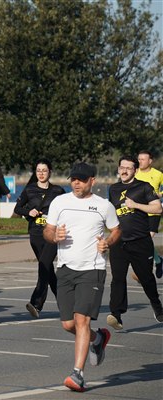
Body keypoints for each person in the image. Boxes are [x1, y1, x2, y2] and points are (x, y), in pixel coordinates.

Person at [43, 162, 121, 392]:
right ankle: (98, 339)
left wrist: (108, 242)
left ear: (92, 181)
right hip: (66, 268)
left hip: (92, 269)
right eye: (73, 179)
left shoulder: (104, 206)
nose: (76, 183)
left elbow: (116, 230)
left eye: (82, 180)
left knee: (81, 321)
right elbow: (47, 230)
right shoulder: (60, 202)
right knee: (68, 324)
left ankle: (78, 374)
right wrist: (54, 236)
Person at [107, 155, 163, 330]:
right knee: (117, 279)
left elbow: (158, 208)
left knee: (146, 278)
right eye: (121, 167)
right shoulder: (113, 189)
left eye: (128, 168)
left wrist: (137, 205)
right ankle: (116, 314)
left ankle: (156, 305)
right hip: (119, 242)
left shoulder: (144, 187)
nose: (124, 171)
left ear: (135, 170)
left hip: (140, 242)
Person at [14, 158, 65, 318]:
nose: (41, 173)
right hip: (36, 234)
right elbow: (18, 208)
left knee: (44, 265)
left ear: (50, 172)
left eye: (44, 170)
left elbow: (67, 210)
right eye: (38, 171)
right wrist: (29, 212)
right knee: (48, 270)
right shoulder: (29, 190)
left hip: (52, 234)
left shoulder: (58, 191)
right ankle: (65, 303)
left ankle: (36, 303)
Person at [135, 150, 163, 278]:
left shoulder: (158, 174)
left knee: (146, 239)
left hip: (153, 212)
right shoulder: (135, 173)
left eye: (143, 159)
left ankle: (145, 267)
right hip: (138, 212)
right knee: (143, 241)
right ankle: (158, 261)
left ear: (150, 161)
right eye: (139, 159)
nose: (140, 161)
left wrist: (160, 195)